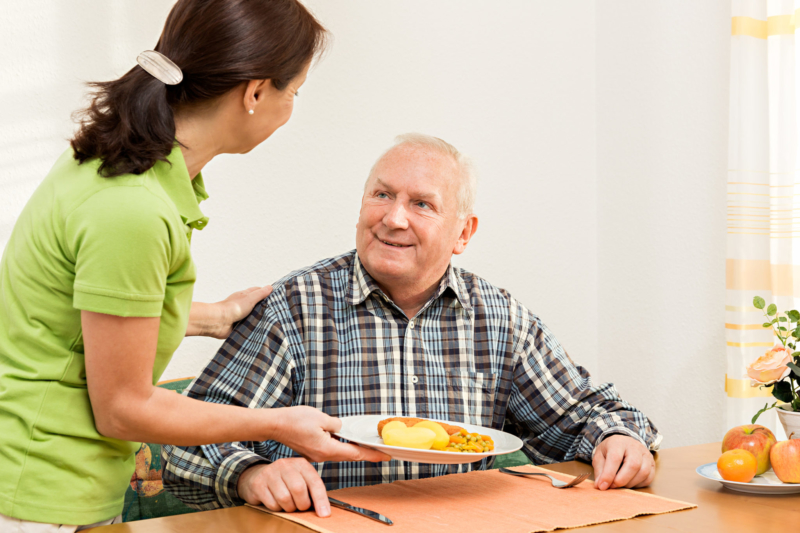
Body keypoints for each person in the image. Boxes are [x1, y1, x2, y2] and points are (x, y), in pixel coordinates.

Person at [0, 1, 388, 530]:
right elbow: (124, 407)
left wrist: (214, 316)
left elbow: (86, 319)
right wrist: (276, 426)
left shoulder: (116, 162)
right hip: (36, 490)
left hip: (53, 482)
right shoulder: (133, 210)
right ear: (255, 92)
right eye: (292, 92)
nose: (291, 107)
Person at [162, 133, 663, 515]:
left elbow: (582, 415)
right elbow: (187, 439)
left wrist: (618, 438)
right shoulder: (295, 307)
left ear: (462, 233)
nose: (394, 218)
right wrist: (251, 474)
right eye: (382, 195)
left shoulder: (498, 317)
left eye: (421, 204)